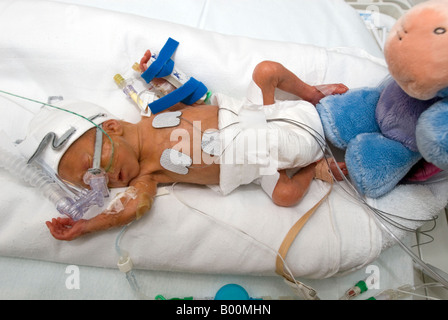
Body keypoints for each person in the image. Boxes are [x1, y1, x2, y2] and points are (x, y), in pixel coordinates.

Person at [42, 55, 348, 241]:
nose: (106, 178)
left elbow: (186, 90)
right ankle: (315, 166)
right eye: (95, 183)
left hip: (256, 114)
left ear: (111, 128)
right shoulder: (147, 177)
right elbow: (132, 208)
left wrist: (153, 70)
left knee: (266, 71)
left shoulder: (153, 114)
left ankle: (310, 95)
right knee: (286, 195)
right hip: (257, 162)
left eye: (95, 166)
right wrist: (86, 226)